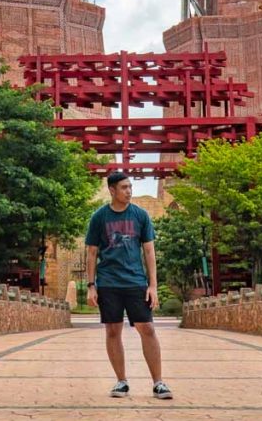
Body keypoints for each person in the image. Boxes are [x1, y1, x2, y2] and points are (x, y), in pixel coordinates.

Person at [85, 171, 173, 400]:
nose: (129, 191)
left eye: (130, 187)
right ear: (112, 190)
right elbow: (92, 252)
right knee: (113, 330)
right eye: (124, 187)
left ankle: (159, 383)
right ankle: (121, 382)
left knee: (148, 328)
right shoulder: (99, 217)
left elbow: (149, 251)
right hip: (108, 282)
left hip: (135, 281)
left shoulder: (140, 215)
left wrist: (153, 285)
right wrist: (91, 285)